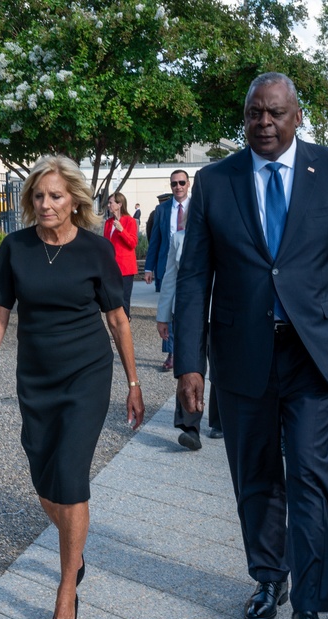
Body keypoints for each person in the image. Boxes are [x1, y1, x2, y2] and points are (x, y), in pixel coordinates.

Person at [174, 72, 328, 619]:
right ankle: (269, 576)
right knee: (255, 473)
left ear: (297, 117)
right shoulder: (216, 183)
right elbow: (194, 277)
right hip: (243, 354)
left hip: (314, 352)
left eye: (274, 113)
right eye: (253, 114)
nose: (263, 123)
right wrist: (188, 364)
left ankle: (309, 610)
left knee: (312, 477)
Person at [0, 155, 144, 619]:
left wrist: (133, 383)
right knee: (45, 481)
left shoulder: (95, 250)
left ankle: (66, 587)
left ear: (74, 202)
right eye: (39, 196)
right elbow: (0, 315)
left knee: (70, 478)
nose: (46, 204)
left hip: (86, 375)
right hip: (36, 379)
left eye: (56, 196)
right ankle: (77, 548)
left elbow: (118, 320)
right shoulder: (15, 248)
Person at [155, 205, 222, 450]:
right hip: (189, 314)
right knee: (188, 367)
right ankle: (189, 427)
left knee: (221, 367)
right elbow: (170, 277)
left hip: (222, 313)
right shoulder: (179, 239)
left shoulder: (225, 237)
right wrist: (163, 316)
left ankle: (219, 421)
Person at [145, 170, 190, 371]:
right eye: (174, 184)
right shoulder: (162, 210)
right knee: (167, 309)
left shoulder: (197, 207)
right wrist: (149, 267)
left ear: (188, 184)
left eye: (181, 182)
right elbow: (155, 240)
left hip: (190, 268)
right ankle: (171, 353)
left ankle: (189, 350)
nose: (178, 186)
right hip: (167, 266)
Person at [103, 191, 139, 319]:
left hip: (125, 268)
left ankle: (124, 331)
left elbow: (133, 243)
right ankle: (115, 330)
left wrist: (122, 230)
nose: (109, 205)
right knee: (112, 300)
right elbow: (106, 244)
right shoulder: (108, 223)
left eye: (111, 202)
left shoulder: (130, 221)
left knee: (124, 300)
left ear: (119, 204)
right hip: (111, 268)